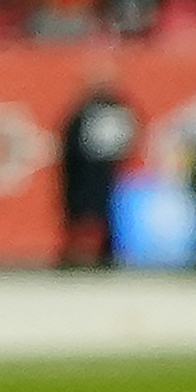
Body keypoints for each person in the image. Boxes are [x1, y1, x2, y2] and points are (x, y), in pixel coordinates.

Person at [57, 61, 139, 270]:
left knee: (104, 217)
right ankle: (79, 256)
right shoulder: (85, 112)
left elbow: (128, 140)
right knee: (80, 218)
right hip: (84, 175)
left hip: (107, 176)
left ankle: (104, 255)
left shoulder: (117, 109)